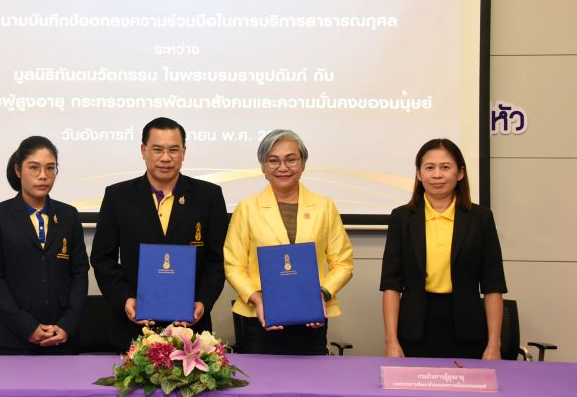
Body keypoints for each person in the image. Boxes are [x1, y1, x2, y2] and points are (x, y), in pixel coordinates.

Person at [90, 117, 229, 353]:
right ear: (143, 150)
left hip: (191, 328)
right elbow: (103, 258)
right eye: (157, 149)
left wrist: (203, 302)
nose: (166, 158)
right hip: (132, 328)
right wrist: (124, 299)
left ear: (184, 152)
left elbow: (217, 259)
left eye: (174, 150)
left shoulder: (209, 196)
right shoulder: (117, 196)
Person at [224, 129, 354, 355]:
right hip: (260, 317)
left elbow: (343, 263)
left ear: (302, 163)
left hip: (312, 317)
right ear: (263, 167)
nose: (282, 168)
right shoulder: (247, 208)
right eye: (273, 161)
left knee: (311, 385)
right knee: (262, 387)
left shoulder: (324, 207)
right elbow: (233, 265)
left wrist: (321, 294)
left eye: (291, 159)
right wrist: (257, 298)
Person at [380, 138, 507, 359]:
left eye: (445, 167)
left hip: (468, 332)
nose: (437, 175)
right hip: (414, 331)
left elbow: (493, 285)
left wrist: (494, 346)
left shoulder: (480, 219)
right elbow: (391, 285)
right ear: (419, 174)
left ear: (460, 173)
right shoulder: (402, 218)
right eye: (429, 168)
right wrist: (391, 342)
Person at [0, 136, 89, 355]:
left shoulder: (68, 215)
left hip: (62, 336)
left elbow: (80, 273)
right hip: (13, 338)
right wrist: (26, 327)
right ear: (18, 170)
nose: (43, 176)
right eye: (34, 168)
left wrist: (68, 324)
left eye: (50, 168)